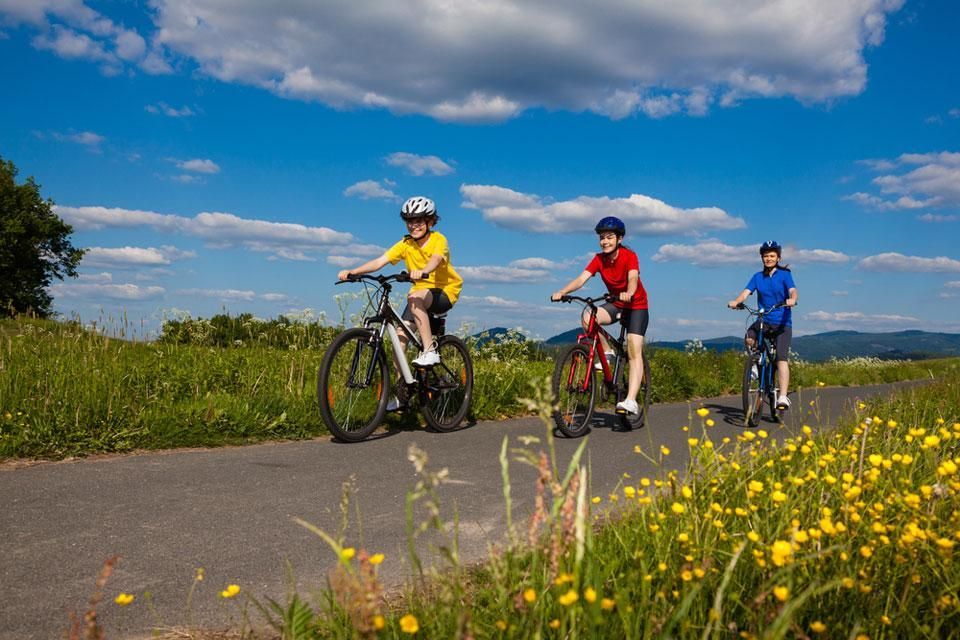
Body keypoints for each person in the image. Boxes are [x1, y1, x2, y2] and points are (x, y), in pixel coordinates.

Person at [338, 196, 463, 407]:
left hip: (444, 292)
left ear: (430, 221)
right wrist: (353, 271)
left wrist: (423, 271)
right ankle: (403, 392)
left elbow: (436, 260)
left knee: (414, 297)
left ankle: (430, 350)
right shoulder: (406, 244)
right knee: (399, 339)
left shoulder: (438, 240)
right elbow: (380, 261)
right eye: (409, 221)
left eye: (419, 220)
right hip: (419, 298)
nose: (414, 225)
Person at [551, 216, 649, 421]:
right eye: (602, 238)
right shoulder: (598, 259)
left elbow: (632, 278)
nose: (605, 241)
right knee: (589, 317)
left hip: (636, 305)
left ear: (619, 239)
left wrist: (629, 292)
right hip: (616, 303)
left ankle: (630, 400)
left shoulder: (629, 256)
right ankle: (607, 351)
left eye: (609, 237)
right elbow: (581, 279)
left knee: (633, 348)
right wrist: (562, 292)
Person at [727, 240, 798, 410]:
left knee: (781, 358)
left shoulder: (785, 275)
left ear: (778, 257)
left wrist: (793, 299)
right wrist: (737, 301)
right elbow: (746, 292)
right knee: (749, 339)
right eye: (766, 256)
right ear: (762, 258)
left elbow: (792, 291)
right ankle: (756, 365)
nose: (769, 258)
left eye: (772, 255)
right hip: (764, 320)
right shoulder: (757, 277)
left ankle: (782, 396)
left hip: (782, 323)